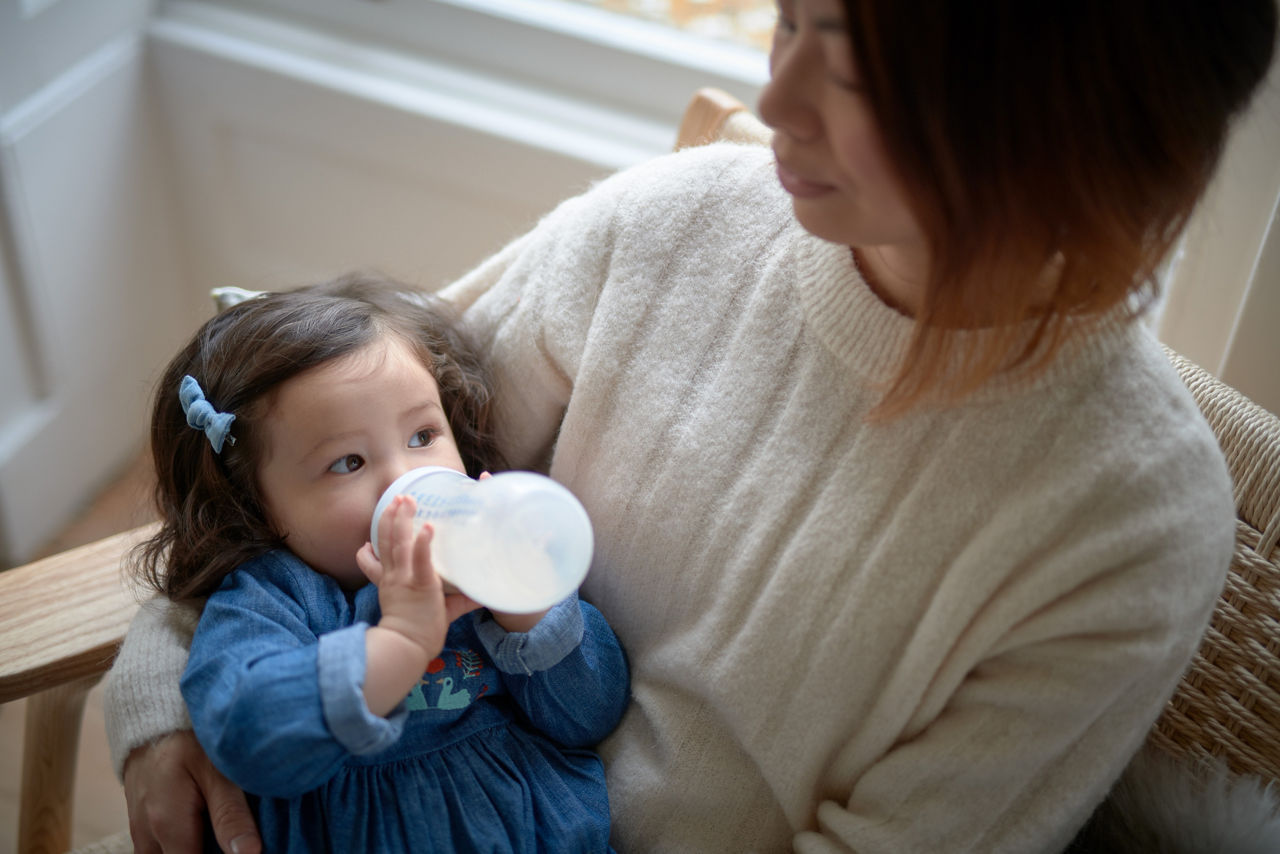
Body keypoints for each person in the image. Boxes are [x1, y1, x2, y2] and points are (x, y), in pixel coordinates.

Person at [105, 1, 1278, 851]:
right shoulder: (665, 228)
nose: (773, 105)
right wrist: (167, 690)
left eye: (858, 75)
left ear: (1064, 134)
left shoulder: (1129, 519)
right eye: (789, 21)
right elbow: (300, 438)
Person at [120, 273, 629, 852]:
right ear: (254, 507)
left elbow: (592, 714)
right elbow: (249, 739)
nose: (405, 481)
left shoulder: (486, 572)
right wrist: (401, 643)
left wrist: (531, 611)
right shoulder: (270, 598)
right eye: (348, 462)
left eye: (422, 435)